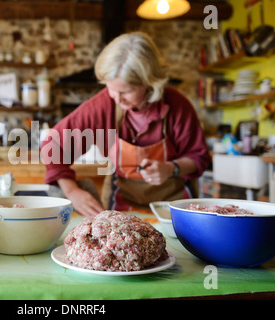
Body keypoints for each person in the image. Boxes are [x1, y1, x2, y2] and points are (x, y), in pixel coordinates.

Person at [41, 32, 211, 216]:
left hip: (172, 209)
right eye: (110, 87)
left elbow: (198, 158)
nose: (116, 97)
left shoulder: (177, 105)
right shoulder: (104, 104)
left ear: (149, 83)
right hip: (120, 206)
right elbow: (53, 145)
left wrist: (171, 168)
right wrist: (72, 191)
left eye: (125, 91)